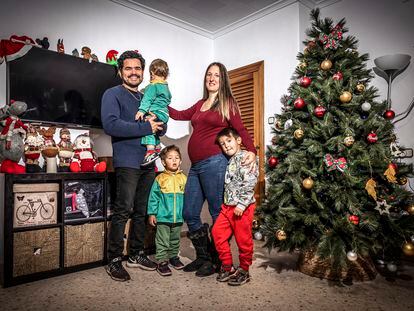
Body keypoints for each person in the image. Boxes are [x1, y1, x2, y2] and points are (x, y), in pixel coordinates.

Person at [168, 62, 257, 277]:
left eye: (217, 75)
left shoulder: (227, 103)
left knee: (218, 213)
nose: (212, 78)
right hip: (197, 167)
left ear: (222, 79)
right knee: (189, 211)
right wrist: (159, 100)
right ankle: (204, 257)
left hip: (215, 162)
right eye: (209, 74)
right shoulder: (200, 104)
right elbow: (179, 114)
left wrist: (252, 150)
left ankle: (220, 261)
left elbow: (240, 129)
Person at [101, 50, 165, 282]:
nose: (133, 72)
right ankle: (114, 259)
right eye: (128, 68)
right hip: (127, 161)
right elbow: (111, 125)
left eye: (137, 68)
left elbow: (158, 122)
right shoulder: (112, 94)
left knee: (141, 210)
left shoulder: (146, 96)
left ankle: (136, 254)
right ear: (120, 71)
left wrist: (159, 125)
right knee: (122, 210)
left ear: (143, 72)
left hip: (149, 161)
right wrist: (146, 128)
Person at [212, 128, 258, 286]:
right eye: (222, 144)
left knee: (243, 240)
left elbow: (250, 181)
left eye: (228, 141)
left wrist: (242, 203)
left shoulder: (246, 157)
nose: (225, 145)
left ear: (238, 140)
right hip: (227, 207)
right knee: (217, 233)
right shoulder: (229, 160)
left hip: (242, 208)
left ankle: (244, 270)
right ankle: (227, 265)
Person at [147, 145, 187, 276]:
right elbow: (153, 197)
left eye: (177, 158)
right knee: (162, 240)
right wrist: (152, 213)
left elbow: (188, 197)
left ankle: (173, 257)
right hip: (163, 217)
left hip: (178, 217)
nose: (174, 160)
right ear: (164, 162)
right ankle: (162, 261)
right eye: (170, 158)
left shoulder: (184, 178)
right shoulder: (160, 178)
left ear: (180, 161)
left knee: (175, 239)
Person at [135, 58, 171, 166]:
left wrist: (141, 111)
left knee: (148, 126)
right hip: (164, 114)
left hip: (155, 112)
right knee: (155, 128)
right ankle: (158, 146)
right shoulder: (165, 87)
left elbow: (148, 99)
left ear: (152, 73)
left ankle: (150, 150)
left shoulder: (153, 86)